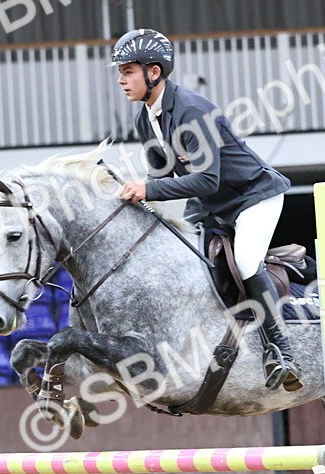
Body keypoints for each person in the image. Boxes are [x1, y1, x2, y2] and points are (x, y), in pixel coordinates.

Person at [109, 28, 302, 393]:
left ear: (154, 72)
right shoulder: (144, 118)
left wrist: (147, 188)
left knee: (245, 261)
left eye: (128, 71)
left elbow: (206, 180)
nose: (121, 80)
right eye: (120, 72)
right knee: (189, 262)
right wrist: (130, 196)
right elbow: (161, 175)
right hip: (212, 207)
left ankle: (281, 351)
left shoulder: (192, 111)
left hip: (251, 196)